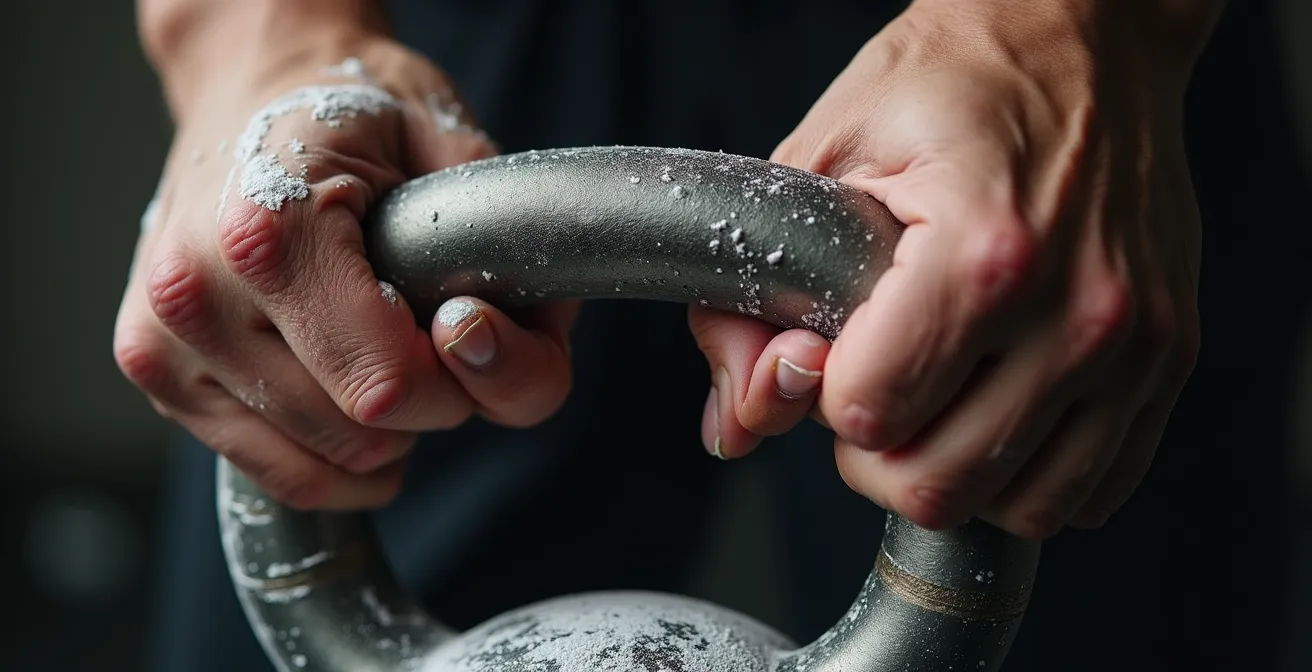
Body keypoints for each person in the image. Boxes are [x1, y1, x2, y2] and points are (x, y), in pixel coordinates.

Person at [120, 0, 1307, 670]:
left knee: (1052, 548)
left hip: (1009, 89)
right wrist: (253, 42)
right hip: (438, 55)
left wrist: (1076, 31)